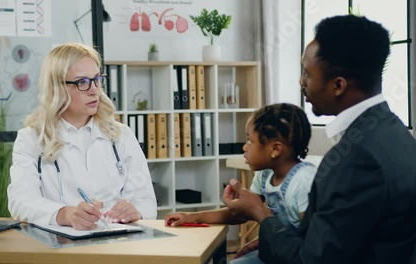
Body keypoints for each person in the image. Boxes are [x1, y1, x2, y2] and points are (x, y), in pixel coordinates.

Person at [222, 15, 416, 264]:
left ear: (338, 85)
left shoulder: (358, 160)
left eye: (307, 73)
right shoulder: (395, 133)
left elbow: (312, 259)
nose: (302, 82)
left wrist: (259, 213)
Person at [7, 42, 157, 230]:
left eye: (96, 79)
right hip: (58, 248)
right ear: (57, 88)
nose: (94, 90)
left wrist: (134, 210)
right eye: (82, 82)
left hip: (115, 244)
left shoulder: (121, 135)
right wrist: (65, 214)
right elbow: (20, 201)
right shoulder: (31, 139)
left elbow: (147, 201)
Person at [165, 103, 317, 263]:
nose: (245, 147)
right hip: (275, 254)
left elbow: (312, 244)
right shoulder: (265, 174)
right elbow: (242, 213)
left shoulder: (304, 181)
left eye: (250, 141)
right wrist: (193, 217)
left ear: (276, 149)